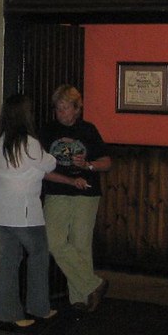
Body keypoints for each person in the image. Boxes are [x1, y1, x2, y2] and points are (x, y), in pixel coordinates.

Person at [0, 94, 87, 327]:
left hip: (0, 211)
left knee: (9, 259)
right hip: (24, 212)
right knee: (39, 255)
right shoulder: (29, 143)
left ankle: (8, 313)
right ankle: (39, 307)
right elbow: (50, 163)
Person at [40, 84, 112, 313]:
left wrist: (88, 165)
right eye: (58, 108)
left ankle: (80, 299)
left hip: (86, 193)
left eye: (65, 108)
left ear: (77, 108)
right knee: (53, 241)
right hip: (56, 191)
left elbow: (106, 163)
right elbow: (40, 166)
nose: (61, 113)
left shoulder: (88, 130)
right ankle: (94, 285)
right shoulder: (47, 130)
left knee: (81, 244)